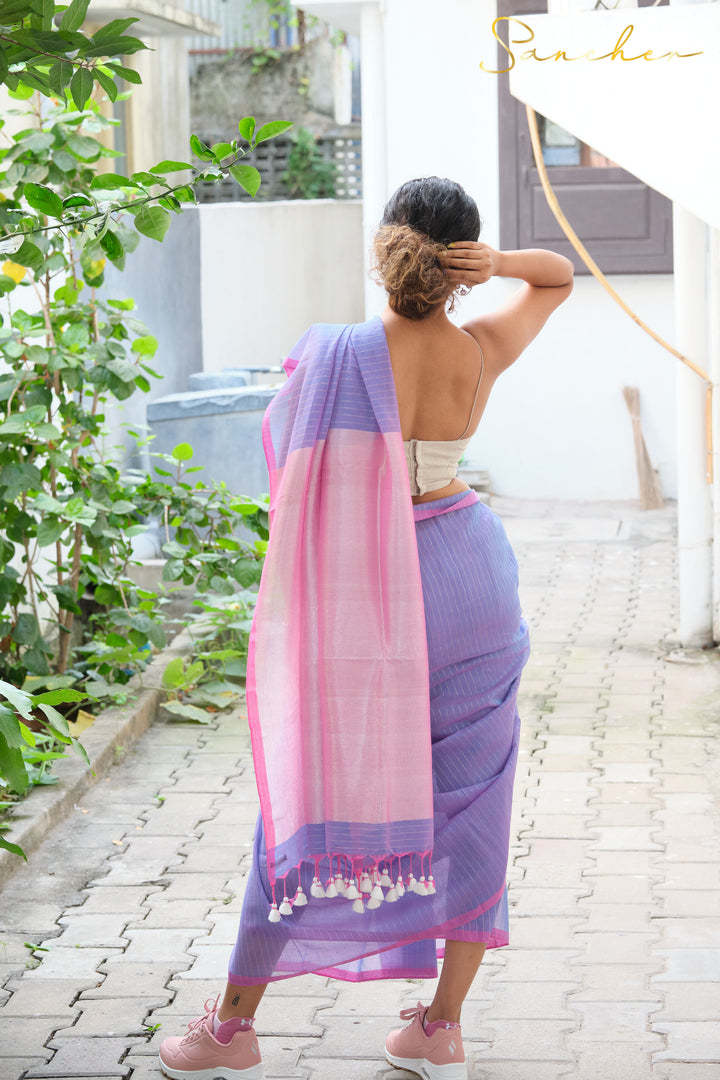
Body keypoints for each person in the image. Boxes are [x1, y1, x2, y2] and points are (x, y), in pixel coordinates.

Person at [158, 176, 574, 1080]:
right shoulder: (479, 348)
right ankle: (442, 1026)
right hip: (470, 578)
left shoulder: (339, 354)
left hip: (370, 594)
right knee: (475, 804)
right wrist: (502, 264)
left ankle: (229, 1032)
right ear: (462, 265)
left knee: (312, 793)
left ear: (386, 249)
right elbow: (559, 277)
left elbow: (291, 477)